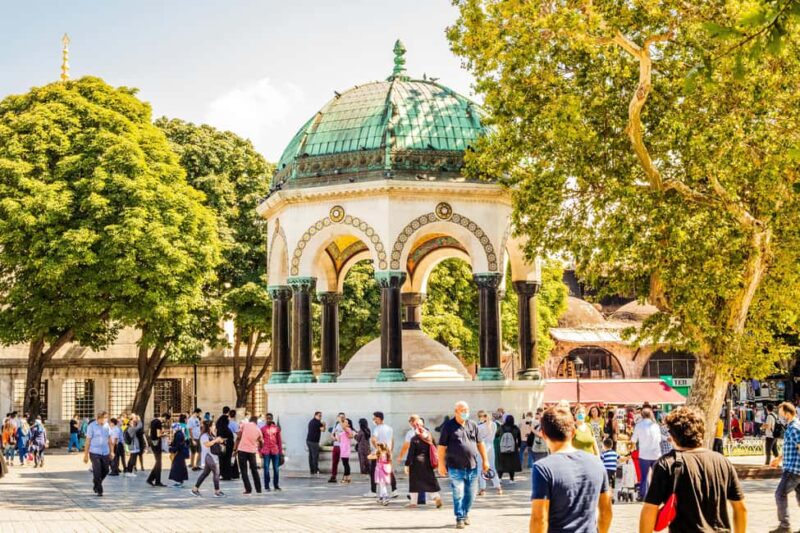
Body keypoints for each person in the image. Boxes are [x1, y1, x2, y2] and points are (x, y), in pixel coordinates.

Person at [640, 406, 746, 533]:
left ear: (672, 435)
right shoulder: (722, 462)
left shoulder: (667, 464)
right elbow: (740, 509)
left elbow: (650, 509)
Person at [530, 406, 612, 533]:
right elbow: (606, 511)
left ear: (544, 434)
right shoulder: (597, 463)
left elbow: (539, 518)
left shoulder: (543, 468)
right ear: (573, 432)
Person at [438, 401, 491, 529]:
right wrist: (441, 464)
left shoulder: (473, 425)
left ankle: (466, 513)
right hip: (455, 467)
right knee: (458, 493)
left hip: (472, 467)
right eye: (462, 410)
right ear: (456, 411)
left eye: (466, 410)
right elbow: (441, 447)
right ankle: (460, 517)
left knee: (471, 495)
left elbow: (480, 444)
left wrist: (485, 460)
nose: (465, 412)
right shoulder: (448, 426)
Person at [769, 401, 800, 533]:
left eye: (781, 414)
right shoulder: (792, 427)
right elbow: (791, 445)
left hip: (793, 469)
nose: (780, 417)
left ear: (788, 414)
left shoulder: (794, 428)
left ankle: (785, 526)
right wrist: (779, 458)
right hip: (794, 468)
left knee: (780, 494)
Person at [404, 414, 442, 509]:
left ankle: (413, 503)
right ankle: (436, 497)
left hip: (416, 463)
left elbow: (411, 454)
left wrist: (407, 465)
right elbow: (434, 447)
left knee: (414, 483)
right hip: (427, 462)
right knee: (429, 481)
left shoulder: (414, 439)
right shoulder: (429, 437)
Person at [631, 406, 662, 501]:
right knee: (656, 476)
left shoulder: (639, 425)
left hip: (644, 454)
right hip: (656, 454)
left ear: (642, 415)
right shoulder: (656, 425)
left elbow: (633, 440)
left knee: (644, 476)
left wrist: (632, 449)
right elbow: (659, 439)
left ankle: (643, 495)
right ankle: (657, 495)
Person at [83, 411, 114, 497]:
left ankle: (96, 482)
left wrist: (112, 451)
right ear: (99, 418)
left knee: (106, 470)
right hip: (94, 452)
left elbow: (110, 439)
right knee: (97, 471)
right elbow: (88, 441)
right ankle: (99, 489)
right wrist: (86, 455)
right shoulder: (91, 426)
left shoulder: (107, 426)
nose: (105, 420)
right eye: (104, 418)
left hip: (105, 452)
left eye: (106, 418)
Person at [367, 411, 396, 498]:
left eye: (374, 418)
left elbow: (373, 439)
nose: (373, 420)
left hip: (379, 453)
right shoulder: (390, 428)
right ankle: (394, 490)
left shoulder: (377, 428)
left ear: (378, 418)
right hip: (388, 452)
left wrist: (377, 448)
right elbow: (392, 440)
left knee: (374, 471)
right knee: (389, 470)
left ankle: (373, 491)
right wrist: (390, 450)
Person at [192, 420, 225, 498]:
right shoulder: (204, 436)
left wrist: (220, 440)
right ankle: (217, 491)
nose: (215, 427)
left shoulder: (211, 435)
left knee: (205, 473)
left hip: (212, 456)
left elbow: (215, 442)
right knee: (216, 473)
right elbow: (207, 444)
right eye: (213, 425)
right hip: (209, 457)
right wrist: (216, 440)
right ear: (209, 427)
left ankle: (195, 489)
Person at [235, 415, 263, 495]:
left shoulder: (244, 425)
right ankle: (258, 489)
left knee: (244, 471)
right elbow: (261, 441)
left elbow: (238, 437)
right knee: (254, 470)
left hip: (242, 450)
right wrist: (260, 447)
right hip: (252, 452)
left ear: (250, 420)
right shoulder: (258, 430)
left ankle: (248, 489)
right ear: (256, 422)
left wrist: (235, 449)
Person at [477, 410, 502, 496]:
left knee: (481, 467)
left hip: (482, 447)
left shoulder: (479, 427)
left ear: (481, 417)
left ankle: (483, 489)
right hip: (491, 447)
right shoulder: (494, 425)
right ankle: (498, 487)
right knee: (492, 467)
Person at [259, 412, 282, 491]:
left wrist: (280, 452)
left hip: (275, 451)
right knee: (266, 469)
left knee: (276, 469)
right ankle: (266, 486)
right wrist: (260, 451)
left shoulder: (276, 428)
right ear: (266, 419)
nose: (268, 420)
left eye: (270, 418)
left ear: (272, 419)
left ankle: (276, 485)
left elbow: (279, 441)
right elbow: (259, 441)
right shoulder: (262, 429)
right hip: (266, 451)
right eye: (267, 418)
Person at [497, 414, 522, 483]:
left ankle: (499, 478)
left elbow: (496, 435)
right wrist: (519, 447)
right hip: (513, 448)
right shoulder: (516, 428)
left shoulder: (501, 427)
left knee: (501, 463)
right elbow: (519, 439)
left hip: (502, 448)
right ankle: (511, 479)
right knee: (512, 464)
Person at [146, 412, 169, 487]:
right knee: (159, 462)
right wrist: (165, 434)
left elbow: (149, 433)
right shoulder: (159, 422)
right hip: (157, 443)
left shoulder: (153, 421)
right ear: (164, 417)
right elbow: (158, 434)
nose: (166, 421)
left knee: (158, 462)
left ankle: (153, 479)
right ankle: (155, 480)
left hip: (152, 442)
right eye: (166, 420)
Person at [215, 407, 235, 480]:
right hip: (227, 442)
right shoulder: (226, 421)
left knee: (222, 459)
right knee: (227, 459)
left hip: (220, 442)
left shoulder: (219, 421)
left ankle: (222, 474)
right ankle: (227, 475)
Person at [168, 421, 189, 487]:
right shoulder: (179, 433)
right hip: (180, 453)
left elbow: (178, 445)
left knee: (177, 467)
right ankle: (180, 481)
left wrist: (171, 449)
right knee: (179, 467)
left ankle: (179, 482)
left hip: (179, 453)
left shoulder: (178, 434)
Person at [306, 411, 325, 476]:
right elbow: (323, 430)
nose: (320, 417)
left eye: (321, 416)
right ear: (315, 415)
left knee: (311, 456)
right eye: (319, 416)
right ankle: (315, 470)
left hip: (308, 440)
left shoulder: (311, 421)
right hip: (314, 442)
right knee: (315, 456)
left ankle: (312, 470)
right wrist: (324, 424)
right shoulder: (317, 423)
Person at [329, 412, 346, 483]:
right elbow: (332, 435)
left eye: (343, 417)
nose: (342, 418)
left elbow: (346, 432)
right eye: (340, 417)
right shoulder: (336, 425)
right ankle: (333, 476)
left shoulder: (346, 424)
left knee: (345, 462)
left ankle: (346, 477)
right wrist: (334, 438)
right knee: (334, 462)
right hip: (336, 446)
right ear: (338, 417)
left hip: (343, 446)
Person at [338, 417, 355, 484]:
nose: (344, 423)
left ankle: (345, 478)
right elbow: (339, 440)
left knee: (346, 464)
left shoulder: (348, 429)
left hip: (346, 449)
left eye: (346, 422)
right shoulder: (343, 431)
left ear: (348, 424)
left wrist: (340, 421)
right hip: (342, 449)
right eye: (344, 422)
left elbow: (344, 428)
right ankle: (348, 478)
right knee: (345, 464)